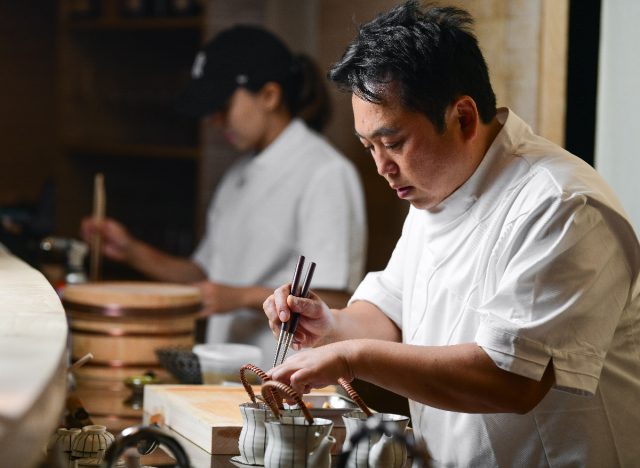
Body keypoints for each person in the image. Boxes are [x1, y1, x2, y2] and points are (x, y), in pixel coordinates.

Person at [263, 1, 640, 465]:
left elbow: (512, 379)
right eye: (370, 148)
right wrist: (331, 326)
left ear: (462, 117)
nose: (382, 167)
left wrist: (351, 358)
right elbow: (391, 313)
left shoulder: (559, 205)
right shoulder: (435, 186)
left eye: (394, 142)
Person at [81, 25, 367, 368]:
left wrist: (239, 297)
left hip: (293, 380)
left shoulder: (325, 172)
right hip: (229, 375)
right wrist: (130, 250)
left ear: (270, 96)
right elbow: (204, 277)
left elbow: (335, 299)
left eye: (223, 105)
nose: (216, 120)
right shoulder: (236, 176)